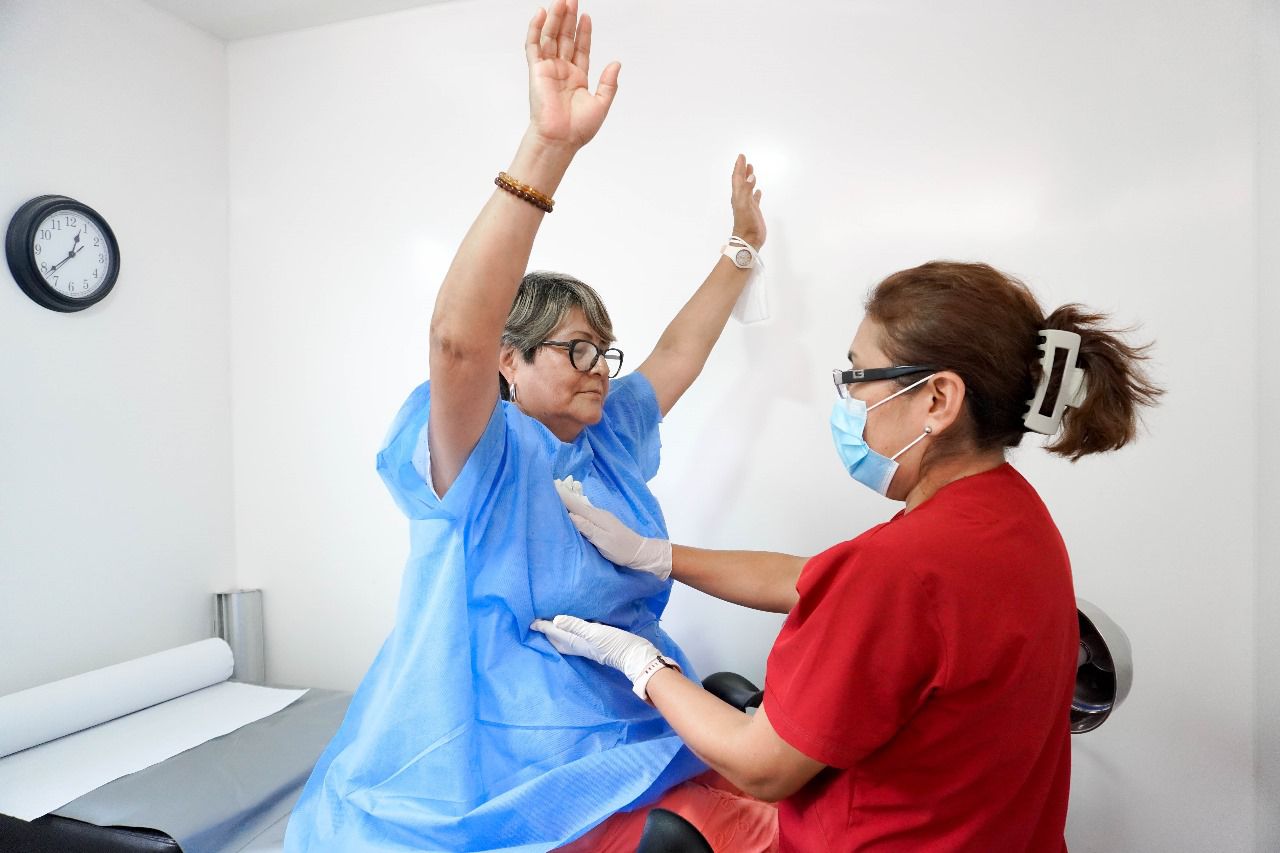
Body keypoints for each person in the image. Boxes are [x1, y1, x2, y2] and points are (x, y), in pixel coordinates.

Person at [284, 1, 779, 850]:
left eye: (603, 352)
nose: (598, 369)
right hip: (497, 747)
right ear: (509, 361)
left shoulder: (608, 435)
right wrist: (547, 150)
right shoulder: (482, 449)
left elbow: (678, 351)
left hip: (623, 715)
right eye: (575, 348)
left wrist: (742, 247)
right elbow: (454, 339)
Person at [536, 261, 1163, 851]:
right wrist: (658, 555)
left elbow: (762, 768)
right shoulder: (1010, 515)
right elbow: (812, 581)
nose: (848, 406)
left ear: (938, 400)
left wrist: (642, 665)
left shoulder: (904, 567)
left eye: (858, 378)